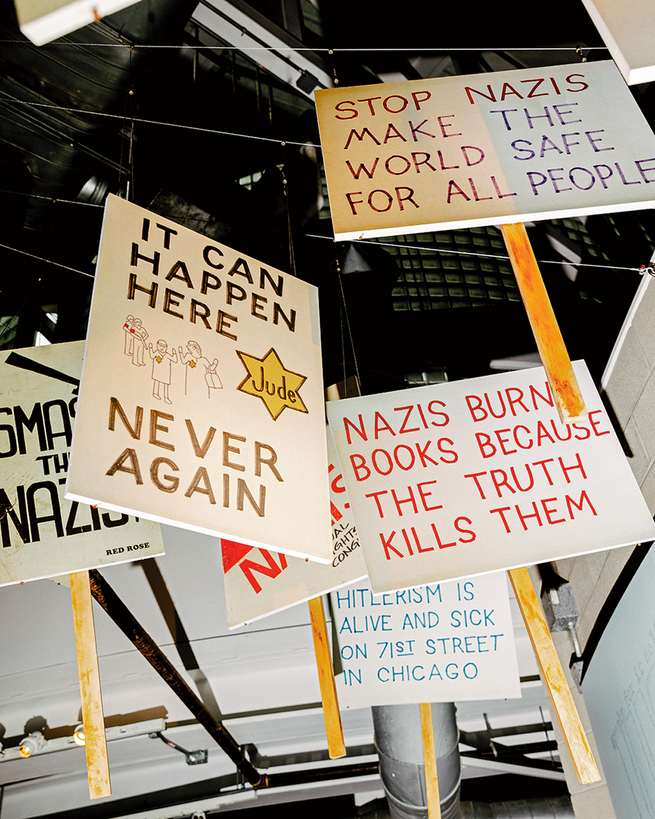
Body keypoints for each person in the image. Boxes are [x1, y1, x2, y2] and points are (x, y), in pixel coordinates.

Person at [149, 339, 178, 403]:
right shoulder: (157, 352)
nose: (162, 348)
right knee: (157, 381)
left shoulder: (167, 355)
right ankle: (155, 393)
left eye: (164, 347)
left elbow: (175, 360)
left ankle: (166, 397)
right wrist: (150, 348)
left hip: (166, 373)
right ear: (157, 346)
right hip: (157, 370)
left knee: (166, 385)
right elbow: (151, 356)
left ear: (166, 348)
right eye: (160, 346)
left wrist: (174, 353)